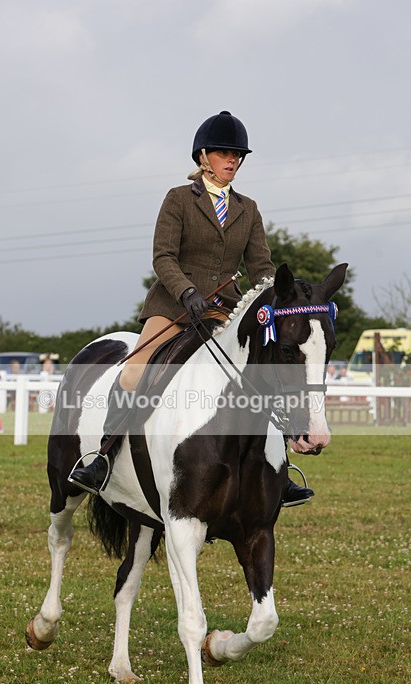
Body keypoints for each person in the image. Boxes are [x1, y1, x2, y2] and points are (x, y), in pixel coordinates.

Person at [69, 111, 314, 507]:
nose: (231, 160)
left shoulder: (247, 209)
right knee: (134, 374)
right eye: (224, 153)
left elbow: (262, 268)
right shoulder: (179, 199)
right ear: (203, 156)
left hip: (225, 311)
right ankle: (103, 457)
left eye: (237, 155)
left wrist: (279, 300)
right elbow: (163, 256)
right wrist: (186, 293)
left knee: (263, 376)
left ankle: (279, 467)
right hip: (174, 306)